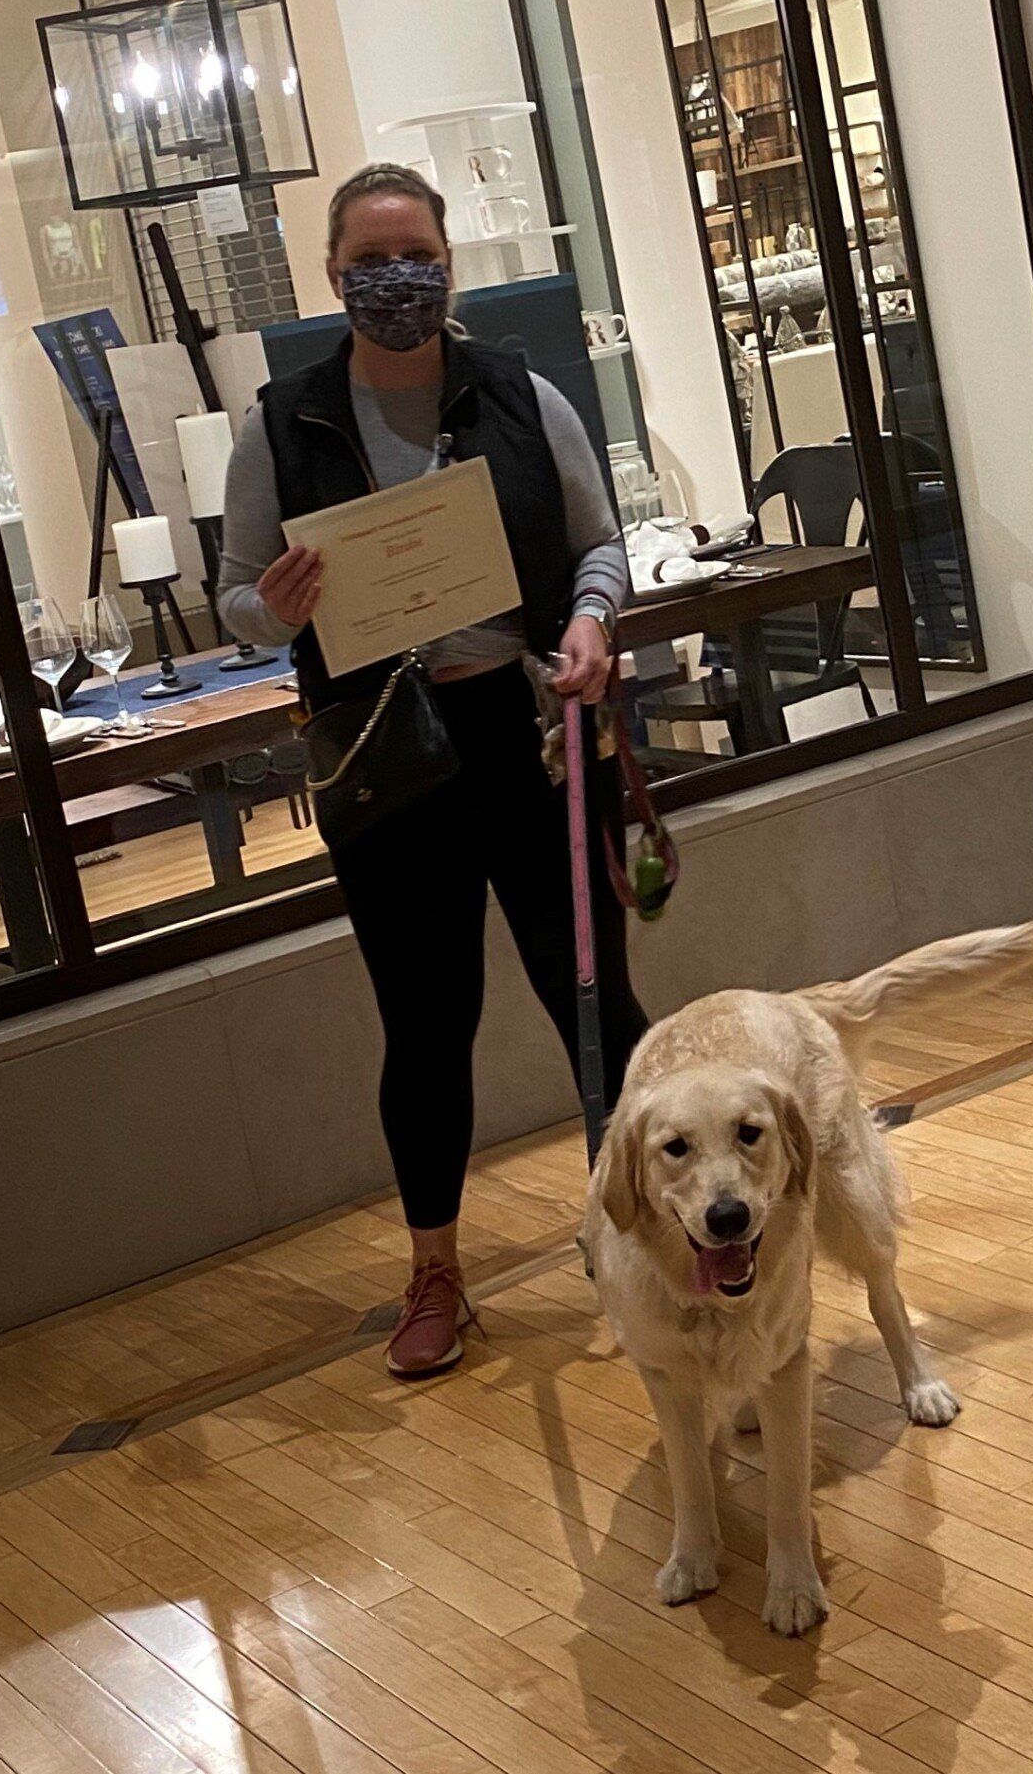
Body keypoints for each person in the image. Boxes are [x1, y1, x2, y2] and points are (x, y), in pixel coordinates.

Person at [217, 160, 648, 1377]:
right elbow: (235, 595)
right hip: (385, 760)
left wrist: (591, 620)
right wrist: (274, 606)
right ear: (334, 271)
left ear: (448, 265)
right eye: (370, 261)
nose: (395, 279)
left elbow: (597, 541)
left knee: (596, 1002)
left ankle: (643, 1234)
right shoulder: (284, 421)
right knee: (424, 1023)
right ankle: (436, 1269)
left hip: (526, 737)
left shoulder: (517, 392)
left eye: (416, 257)